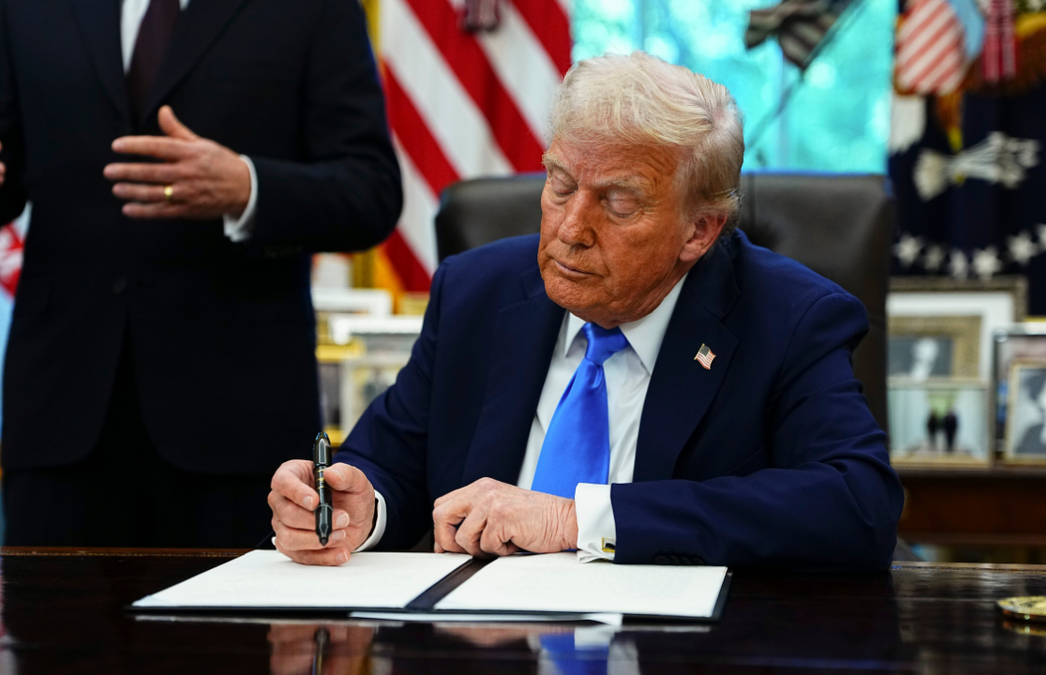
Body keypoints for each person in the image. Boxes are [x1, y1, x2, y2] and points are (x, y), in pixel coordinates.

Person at [267, 52, 903, 570]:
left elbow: (857, 503)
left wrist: (579, 520)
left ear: (699, 231)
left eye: (618, 203)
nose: (570, 229)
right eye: (561, 184)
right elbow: (388, 460)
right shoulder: (477, 292)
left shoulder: (788, 318)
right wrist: (357, 508)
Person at [0, 0, 402, 547]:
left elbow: (372, 192)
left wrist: (248, 187)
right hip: (60, 413)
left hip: (237, 422)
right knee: (41, 605)